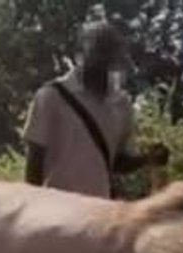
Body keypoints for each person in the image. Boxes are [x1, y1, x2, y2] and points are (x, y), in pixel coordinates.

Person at [22, 19, 168, 200]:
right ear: (80, 54)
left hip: (98, 214)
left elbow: (117, 162)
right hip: (56, 212)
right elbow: (34, 160)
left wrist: (146, 158)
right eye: (97, 51)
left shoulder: (121, 104)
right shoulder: (51, 97)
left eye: (108, 53)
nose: (101, 60)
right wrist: (33, 207)